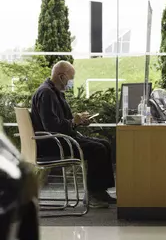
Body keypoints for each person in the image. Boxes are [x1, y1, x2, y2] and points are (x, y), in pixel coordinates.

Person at [31, 61, 116, 208]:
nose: (72, 82)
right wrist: (73, 122)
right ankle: (93, 195)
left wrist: (78, 121)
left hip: (60, 140)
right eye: (71, 78)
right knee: (98, 149)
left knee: (105, 144)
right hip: (53, 144)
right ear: (62, 76)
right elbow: (52, 126)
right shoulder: (46, 94)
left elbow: (64, 122)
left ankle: (100, 191)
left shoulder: (55, 92)